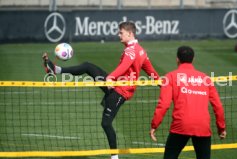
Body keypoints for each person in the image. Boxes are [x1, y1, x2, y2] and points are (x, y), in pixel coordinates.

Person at [43, 21, 160, 159]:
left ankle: (114, 157)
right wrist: (162, 83)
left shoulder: (131, 51)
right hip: (116, 84)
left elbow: (124, 66)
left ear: (130, 33)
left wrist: (110, 78)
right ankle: (56, 69)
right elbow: (151, 71)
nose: (118, 35)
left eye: (121, 32)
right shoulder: (141, 50)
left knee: (106, 123)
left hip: (120, 91)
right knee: (88, 66)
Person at [150, 46, 226, 159]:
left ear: (177, 59)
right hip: (203, 126)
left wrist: (154, 125)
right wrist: (221, 128)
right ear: (193, 59)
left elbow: (164, 104)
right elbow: (218, 106)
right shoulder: (205, 78)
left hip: (181, 125)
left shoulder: (170, 77)